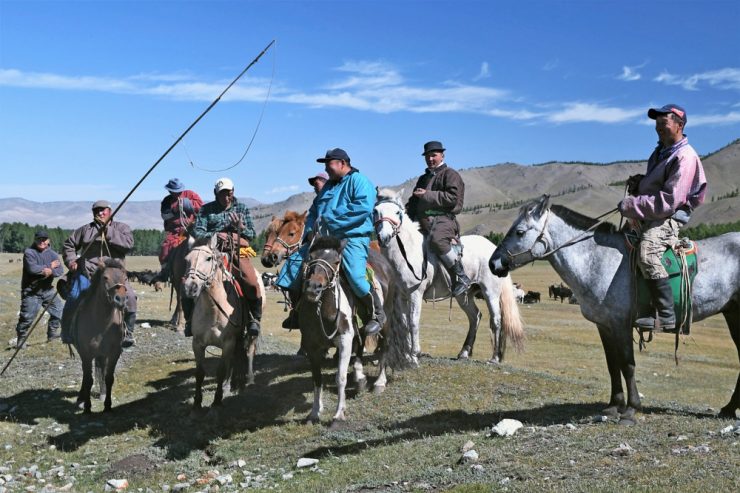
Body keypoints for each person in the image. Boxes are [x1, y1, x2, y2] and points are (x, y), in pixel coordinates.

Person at [618, 104, 707, 332]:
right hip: (655, 211)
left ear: (680, 125)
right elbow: (657, 184)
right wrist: (641, 182)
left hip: (669, 216)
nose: (658, 128)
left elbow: (669, 200)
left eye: (663, 123)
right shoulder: (660, 152)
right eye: (656, 124)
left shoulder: (684, 157)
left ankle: (666, 315)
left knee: (647, 252)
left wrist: (632, 205)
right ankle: (642, 307)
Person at [279, 148, 386, 336]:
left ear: (342, 163)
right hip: (324, 240)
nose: (326, 169)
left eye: (329, 164)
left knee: (355, 276)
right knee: (293, 266)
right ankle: (298, 312)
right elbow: (314, 212)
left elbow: (362, 208)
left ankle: (377, 314)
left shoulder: (359, 181)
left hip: (352, 238)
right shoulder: (329, 186)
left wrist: (330, 218)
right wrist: (310, 230)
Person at [60, 200, 138, 347]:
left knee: (131, 298)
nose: (100, 213)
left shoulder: (121, 228)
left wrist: (108, 231)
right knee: (75, 296)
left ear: (110, 211)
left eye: (103, 210)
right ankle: (67, 331)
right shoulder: (85, 230)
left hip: (114, 274)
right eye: (96, 211)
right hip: (88, 272)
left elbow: (128, 245)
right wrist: (71, 261)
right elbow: (68, 245)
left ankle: (128, 332)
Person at [191, 177, 263, 337]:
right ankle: (191, 321)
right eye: (222, 194)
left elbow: (252, 234)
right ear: (215, 193)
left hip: (236, 250)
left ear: (233, 192)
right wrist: (217, 234)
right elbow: (198, 232)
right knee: (191, 278)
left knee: (250, 280)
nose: (226, 197)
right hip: (211, 250)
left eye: (229, 194)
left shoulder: (242, 208)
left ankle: (254, 320)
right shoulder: (206, 209)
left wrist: (241, 227)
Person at [405, 140, 470, 297]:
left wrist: (427, 195)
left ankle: (462, 277)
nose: (430, 159)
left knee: (436, 240)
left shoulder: (451, 174)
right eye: (427, 156)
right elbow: (413, 203)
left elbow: (453, 199)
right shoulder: (423, 179)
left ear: (442, 155)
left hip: (444, 220)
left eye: (433, 155)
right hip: (422, 221)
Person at [277, 171, 328, 329]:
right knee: (293, 261)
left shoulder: (335, 196)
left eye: (316, 182)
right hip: (314, 242)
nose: (314, 185)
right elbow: (310, 219)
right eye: (313, 183)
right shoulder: (316, 201)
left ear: (325, 181)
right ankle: (296, 310)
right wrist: (308, 232)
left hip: (332, 241)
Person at [12, 230, 64, 348]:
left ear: (48, 240)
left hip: (47, 291)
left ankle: (52, 334)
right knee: (27, 318)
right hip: (31, 292)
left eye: (44, 239)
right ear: (35, 240)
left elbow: (60, 271)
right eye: (39, 239)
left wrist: (48, 271)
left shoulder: (53, 254)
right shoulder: (29, 252)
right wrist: (50, 267)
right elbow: (32, 269)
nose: (42, 241)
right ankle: (21, 340)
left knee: (59, 312)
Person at [156, 178, 203, 282]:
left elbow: (201, 206)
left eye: (179, 191)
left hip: (192, 229)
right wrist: (175, 209)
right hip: (174, 232)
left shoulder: (190, 194)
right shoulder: (166, 201)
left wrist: (188, 204)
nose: (177, 193)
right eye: (174, 192)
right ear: (170, 191)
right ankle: (165, 271)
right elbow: (165, 215)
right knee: (165, 249)